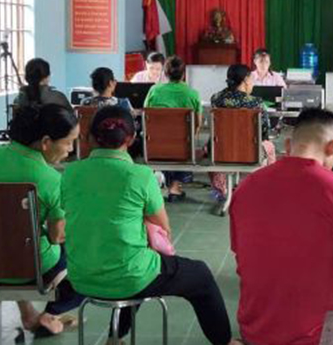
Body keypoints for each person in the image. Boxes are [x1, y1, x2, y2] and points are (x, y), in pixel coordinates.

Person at [61, 106, 238, 344]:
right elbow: (163, 228)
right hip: (129, 277)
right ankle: (225, 341)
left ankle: (115, 338)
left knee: (133, 260)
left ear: (89, 137)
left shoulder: (70, 173)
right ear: (132, 138)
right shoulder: (140, 176)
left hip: (80, 276)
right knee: (199, 275)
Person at [230, 108, 333, 345]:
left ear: (288, 145)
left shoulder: (244, 189)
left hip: (255, 331)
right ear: (332, 146)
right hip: (315, 334)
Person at [0, 104, 82, 336]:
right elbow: (57, 236)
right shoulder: (50, 180)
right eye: (69, 142)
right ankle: (51, 313)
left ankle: (28, 313)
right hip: (30, 269)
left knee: (9, 234)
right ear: (46, 142)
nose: (70, 150)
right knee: (81, 251)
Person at [209, 64, 274, 201]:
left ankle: (220, 188)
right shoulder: (256, 103)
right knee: (269, 146)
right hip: (248, 152)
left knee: (212, 145)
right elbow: (264, 130)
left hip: (221, 151)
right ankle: (264, 187)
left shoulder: (216, 98)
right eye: (252, 79)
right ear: (245, 80)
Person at [144, 56, 202, 202]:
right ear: (183, 74)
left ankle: (161, 181)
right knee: (186, 141)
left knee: (165, 140)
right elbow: (198, 124)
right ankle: (174, 187)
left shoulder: (154, 90)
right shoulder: (192, 93)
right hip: (183, 148)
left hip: (155, 146)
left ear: (165, 73)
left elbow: (145, 116)